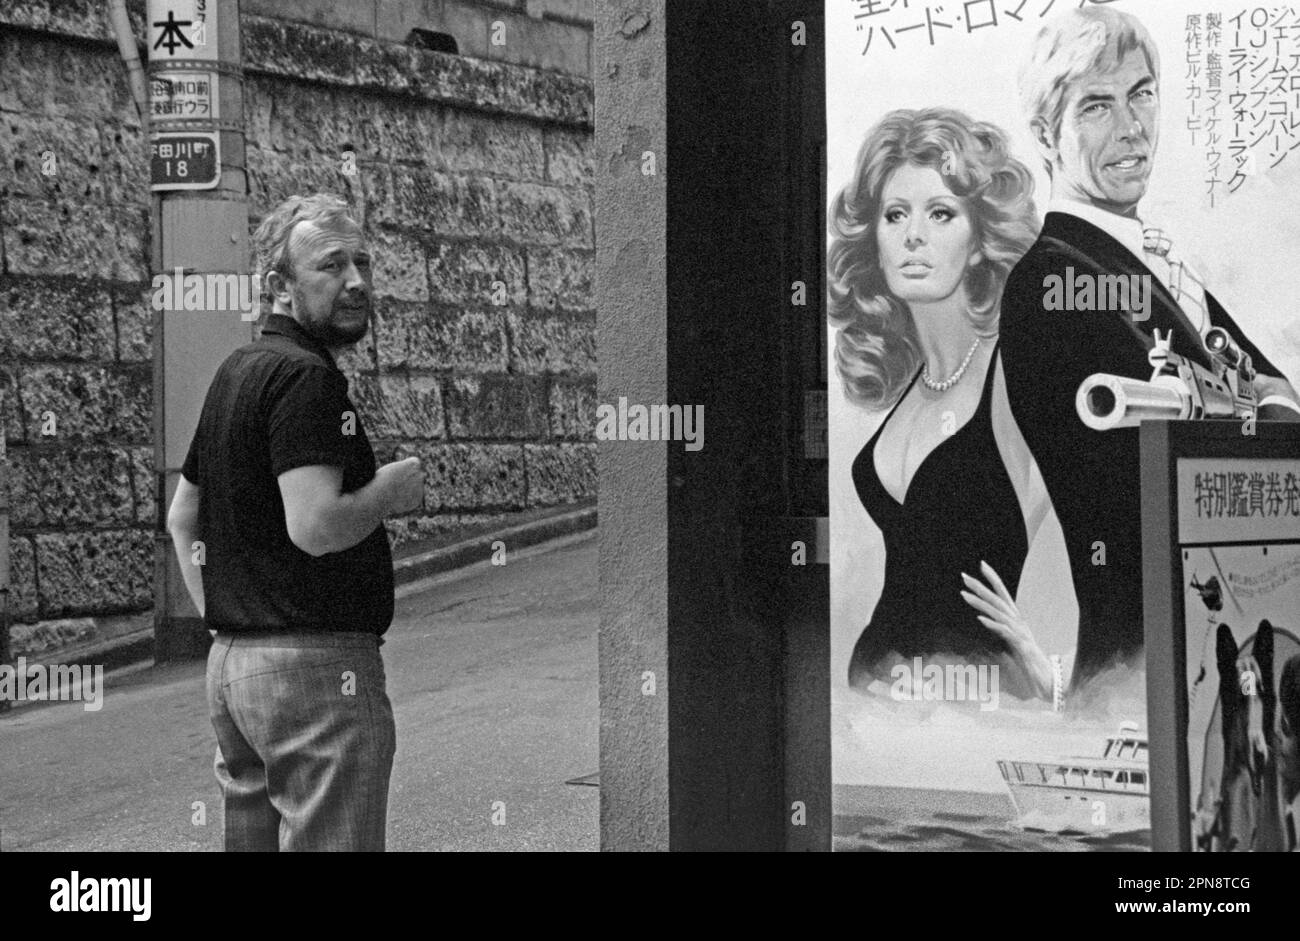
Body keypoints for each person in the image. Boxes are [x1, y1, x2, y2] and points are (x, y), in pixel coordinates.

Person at [1000, 7, 1300, 692]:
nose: (1132, 126)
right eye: (1098, 106)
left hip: (1207, 652)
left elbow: (1277, 392)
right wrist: (1250, 406)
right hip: (1139, 669)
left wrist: (1251, 404)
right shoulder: (1049, 279)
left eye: (1141, 93)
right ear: (1048, 135)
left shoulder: (1152, 264)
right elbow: (1150, 467)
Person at [165, 193, 425, 851]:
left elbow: (182, 515)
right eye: (332, 266)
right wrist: (390, 491)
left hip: (234, 670)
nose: (357, 281)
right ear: (279, 285)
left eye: (362, 262)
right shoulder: (307, 380)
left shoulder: (237, 371)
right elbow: (314, 524)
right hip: (317, 666)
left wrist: (231, 620)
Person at [828, 107, 1059, 703]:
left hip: (980, 700)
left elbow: (1105, 532)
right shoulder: (913, 381)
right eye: (895, 215)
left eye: (940, 214)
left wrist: (1048, 666)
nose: (912, 236)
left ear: (981, 239)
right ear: (873, 236)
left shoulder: (1017, 372)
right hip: (877, 693)